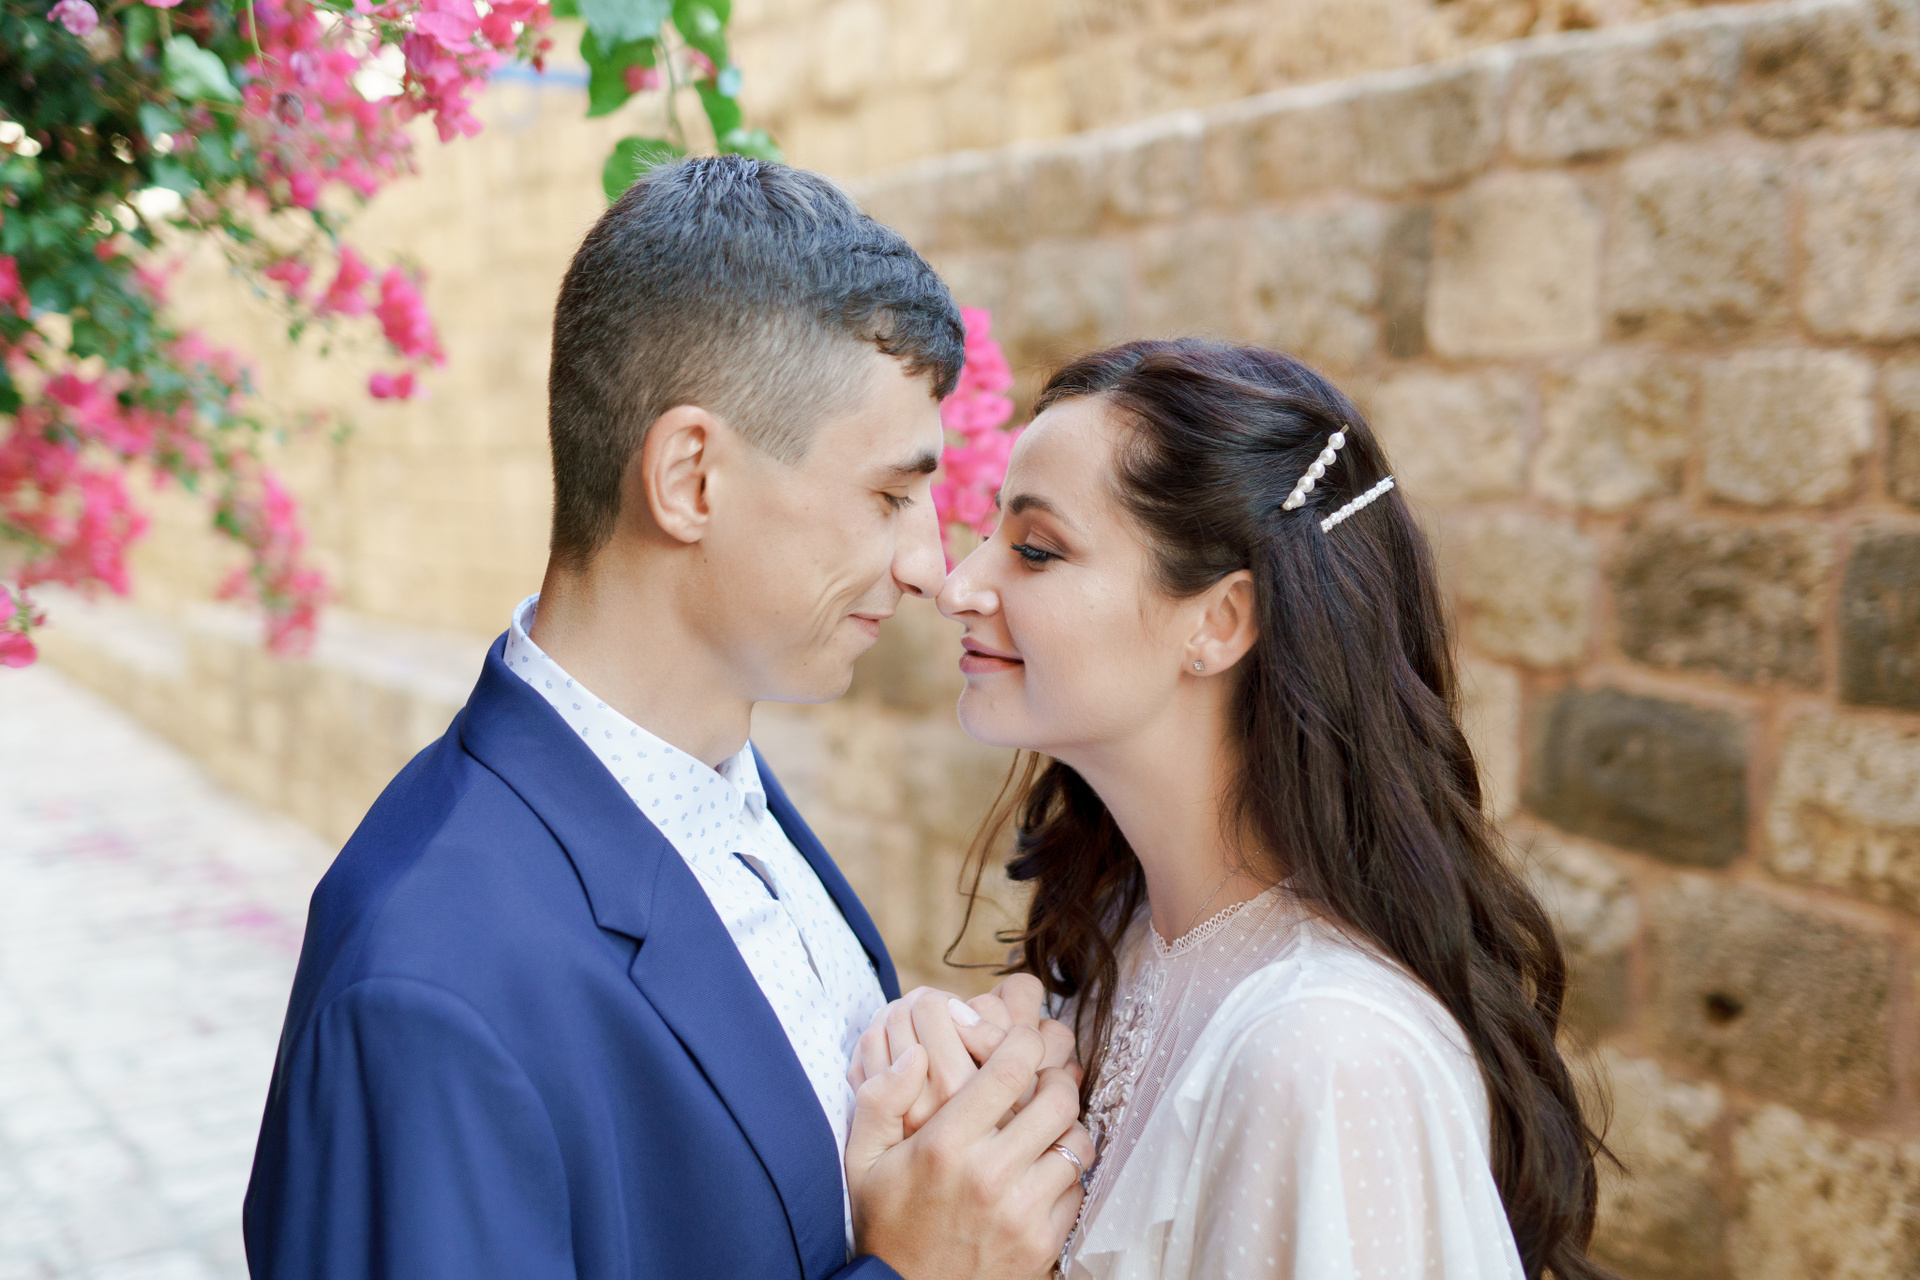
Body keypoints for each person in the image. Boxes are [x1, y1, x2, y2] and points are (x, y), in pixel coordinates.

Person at [243, 155, 1091, 1280]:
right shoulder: (427, 988)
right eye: (890, 496)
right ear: (692, 477)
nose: (930, 566)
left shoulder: (723, 792)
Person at [872, 339, 1611, 1279]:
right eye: (989, 536)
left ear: (1219, 621)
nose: (959, 585)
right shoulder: (1124, 932)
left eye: (1037, 550)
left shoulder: (1327, 1058)